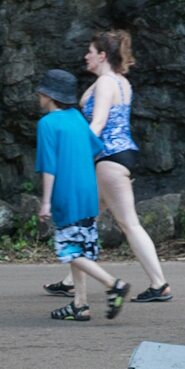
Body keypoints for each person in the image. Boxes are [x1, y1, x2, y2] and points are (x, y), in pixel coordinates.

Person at [44, 29, 172, 302]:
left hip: (109, 159)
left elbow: (98, 123)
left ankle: (159, 283)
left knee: (128, 223)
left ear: (102, 55)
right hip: (122, 155)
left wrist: (77, 154)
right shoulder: (120, 81)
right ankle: (71, 280)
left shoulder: (105, 83)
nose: (85, 56)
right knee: (86, 218)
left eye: (90, 52)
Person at [34, 69, 127, 321]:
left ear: (48, 95)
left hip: (67, 195)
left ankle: (113, 283)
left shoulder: (47, 124)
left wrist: (45, 203)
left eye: (41, 92)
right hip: (88, 192)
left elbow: (49, 167)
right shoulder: (76, 117)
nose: (38, 95)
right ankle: (80, 304)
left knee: (69, 251)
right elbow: (95, 148)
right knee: (81, 249)